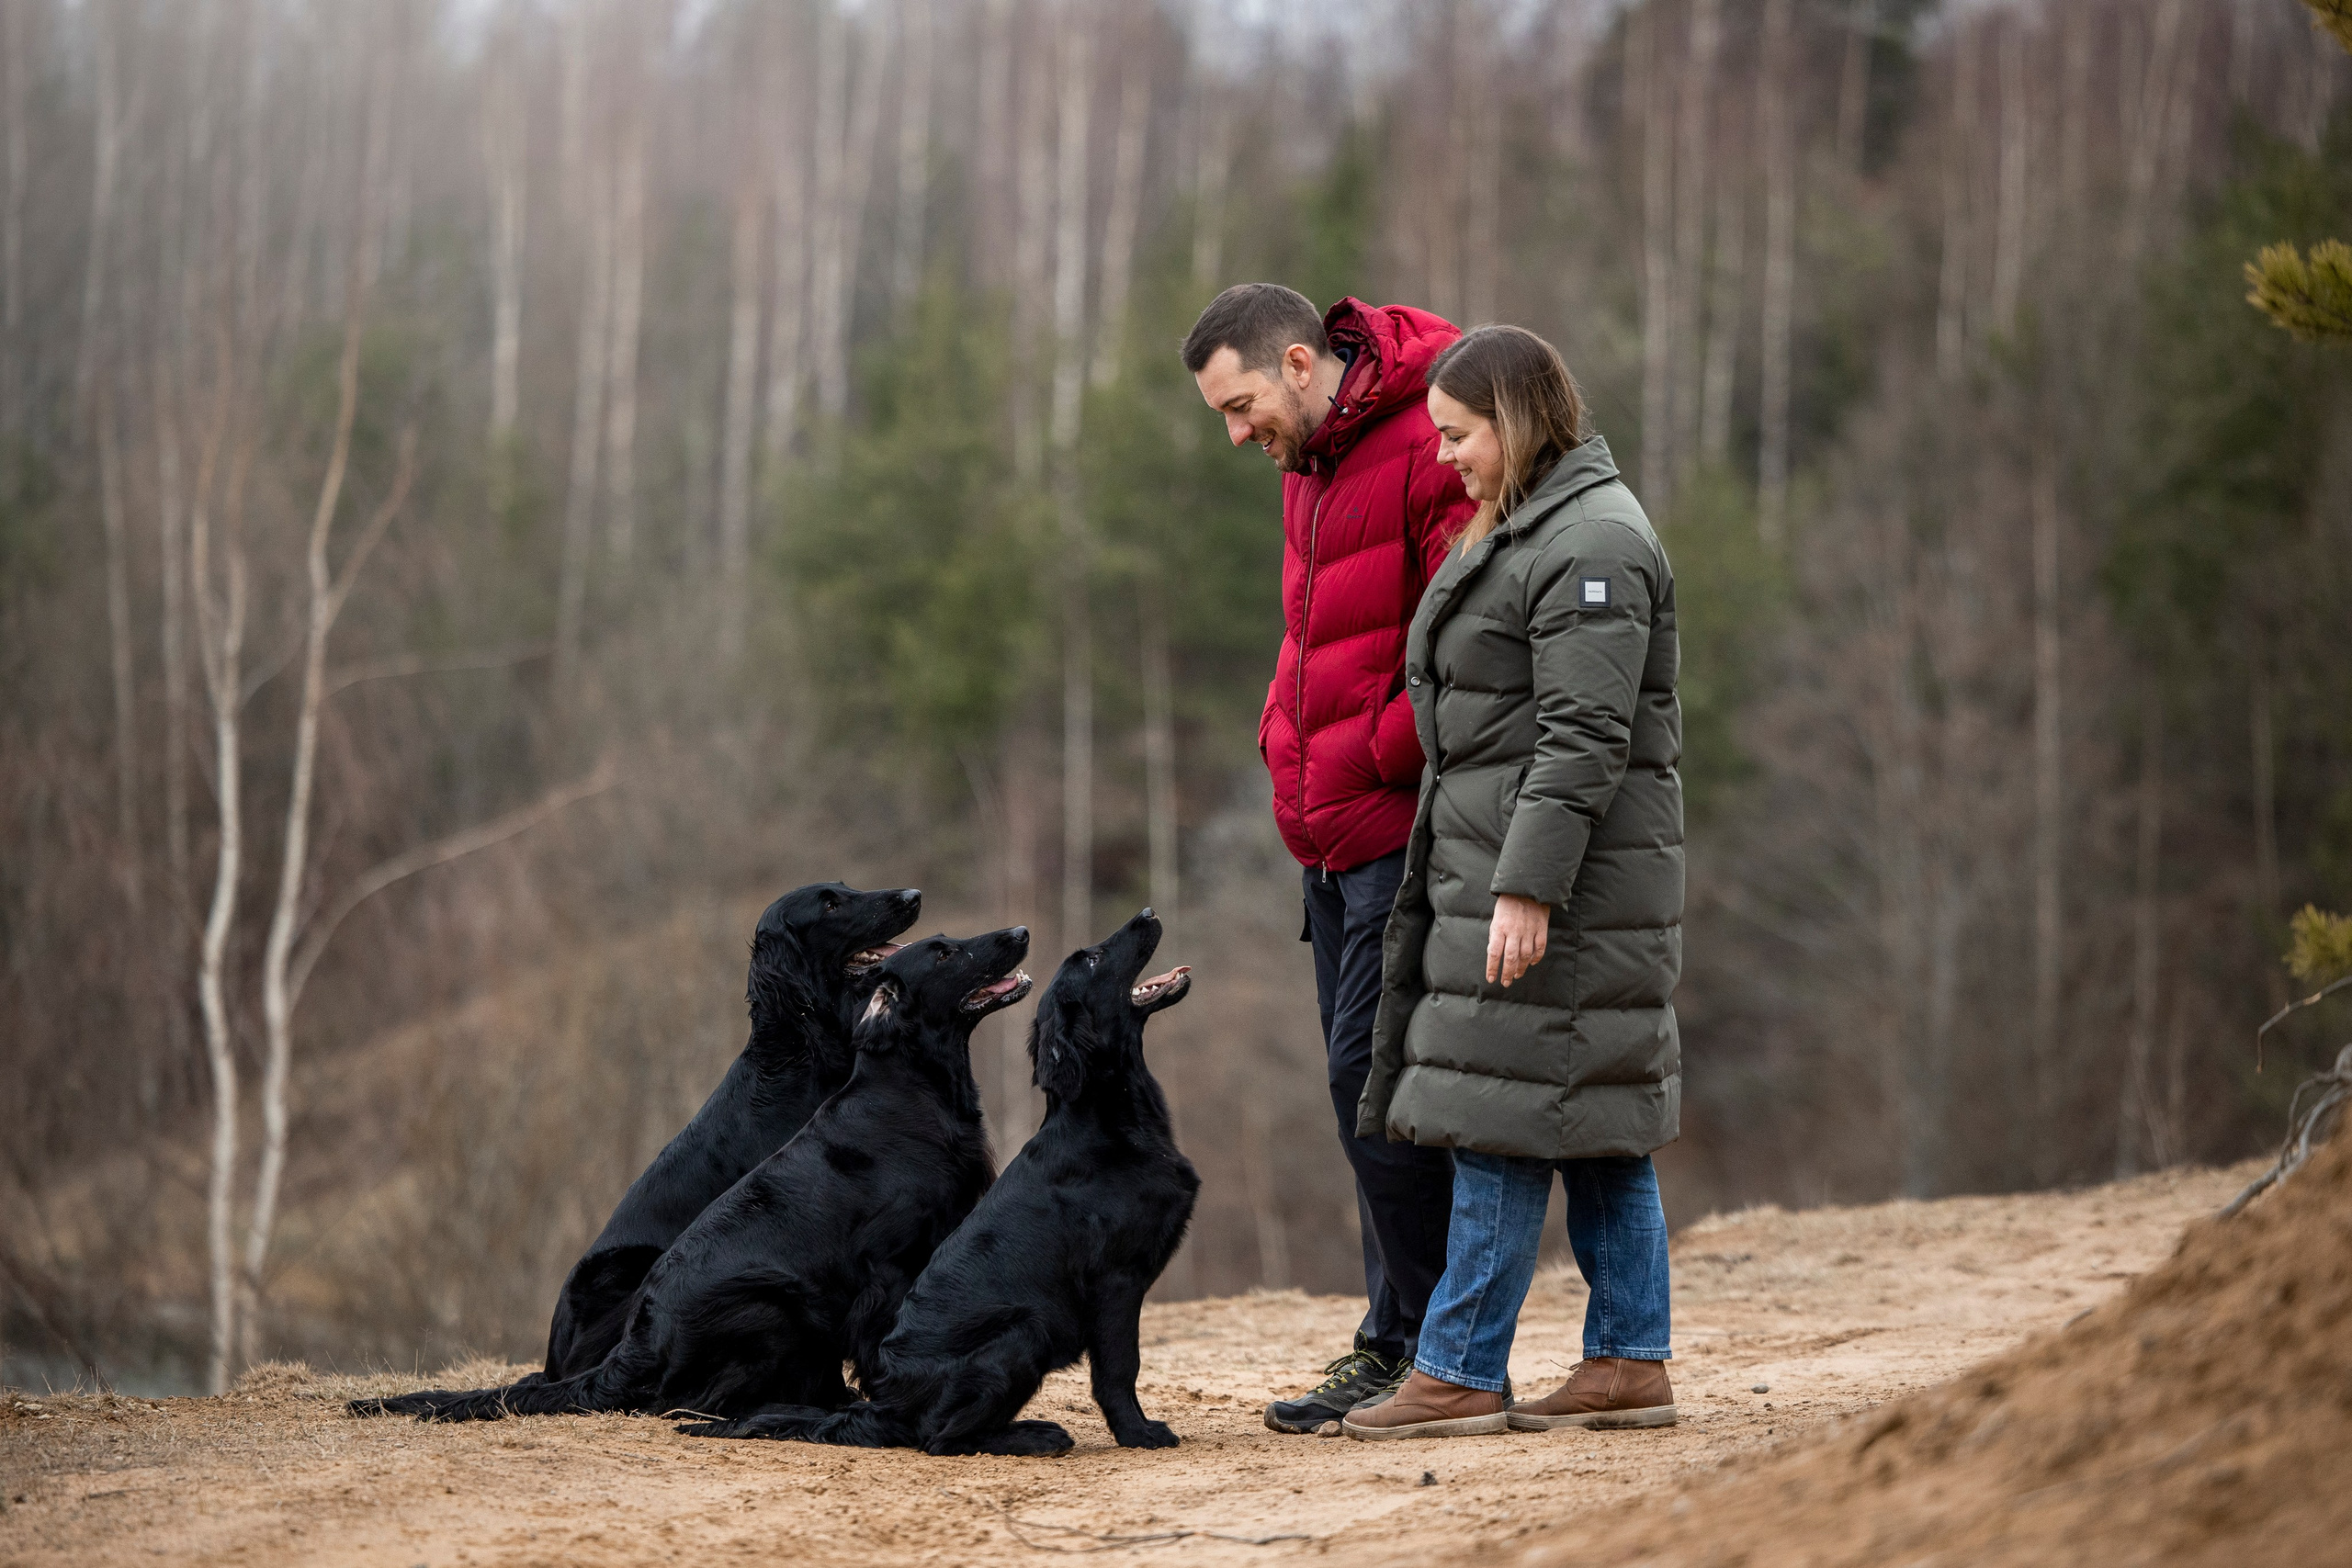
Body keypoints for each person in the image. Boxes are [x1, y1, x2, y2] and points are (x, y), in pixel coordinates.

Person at [1342, 324, 1683, 1441]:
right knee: (1591, 1123)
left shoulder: (1595, 544)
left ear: (1517, 421)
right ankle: (1628, 1362)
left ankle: (1459, 1368)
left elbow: (1583, 735)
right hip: (1513, 867)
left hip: (1560, 888)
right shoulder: (1538, 525)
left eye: (1458, 434)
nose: (1446, 457)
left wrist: (1527, 888)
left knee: (1498, 1113)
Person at [1182, 284, 1477, 1433]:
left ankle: (1433, 1355)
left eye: (1243, 404)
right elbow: (1314, 638)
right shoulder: (1312, 463)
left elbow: (1465, 647)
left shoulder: (1426, 440)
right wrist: (1282, 741)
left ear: (1301, 364)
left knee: (1378, 1088)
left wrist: (1359, 759)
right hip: (1329, 844)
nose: (1237, 433)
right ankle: (1400, 1343)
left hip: (1400, 829)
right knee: (1365, 1090)